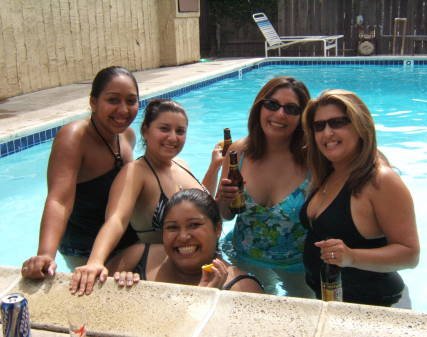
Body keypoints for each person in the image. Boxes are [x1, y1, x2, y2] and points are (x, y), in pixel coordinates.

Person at [69, 99, 223, 289]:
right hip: (170, 274)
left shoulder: (181, 164)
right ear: (145, 130)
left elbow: (200, 208)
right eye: (164, 129)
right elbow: (116, 218)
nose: (173, 137)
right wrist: (95, 261)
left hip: (208, 265)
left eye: (180, 131)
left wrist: (214, 168)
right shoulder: (136, 173)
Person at [299, 89, 420, 307]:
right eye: (319, 126)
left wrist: (352, 257)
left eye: (338, 123)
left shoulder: (379, 180)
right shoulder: (330, 171)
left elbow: (410, 255)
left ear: (360, 126)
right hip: (332, 302)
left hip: (378, 308)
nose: (327, 133)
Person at [21, 66, 140, 278]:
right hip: (86, 250)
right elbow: (59, 199)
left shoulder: (127, 135)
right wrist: (45, 254)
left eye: (131, 101)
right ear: (93, 102)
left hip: (127, 239)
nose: (123, 110)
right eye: (113, 100)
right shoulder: (74, 137)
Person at [216, 76, 314, 297]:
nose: (280, 114)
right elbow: (224, 216)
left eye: (291, 109)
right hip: (242, 258)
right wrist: (224, 199)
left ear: (302, 117)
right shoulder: (238, 152)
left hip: (297, 266)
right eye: (272, 104)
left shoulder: (313, 160)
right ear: (259, 107)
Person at [70, 189, 263, 295]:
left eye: (194, 225)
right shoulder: (137, 258)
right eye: (172, 227)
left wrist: (203, 300)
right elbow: (89, 312)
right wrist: (118, 295)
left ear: (218, 229)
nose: (183, 236)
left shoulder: (242, 288)